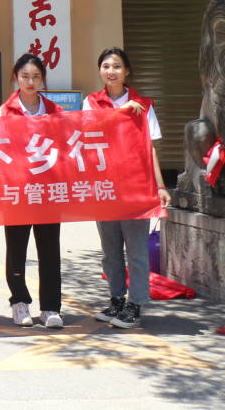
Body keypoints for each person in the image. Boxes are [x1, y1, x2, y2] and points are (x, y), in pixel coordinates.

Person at [83, 47, 172, 330]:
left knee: (136, 251)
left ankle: (135, 304)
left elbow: (151, 148)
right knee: (110, 251)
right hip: (105, 187)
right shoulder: (90, 102)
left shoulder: (143, 105)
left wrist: (160, 185)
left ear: (127, 71)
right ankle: (116, 299)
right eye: (106, 66)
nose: (111, 71)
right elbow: (85, 134)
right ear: (100, 70)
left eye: (117, 66)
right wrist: (120, 113)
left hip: (136, 188)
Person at [0, 53, 65, 329]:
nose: (30, 82)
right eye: (25, 76)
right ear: (16, 77)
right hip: (17, 191)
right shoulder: (5, 111)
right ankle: (19, 302)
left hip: (48, 190)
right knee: (16, 249)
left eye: (36, 77)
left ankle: (51, 307)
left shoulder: (55, 111)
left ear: (43, 79)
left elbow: (67, 146)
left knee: (49, 249)